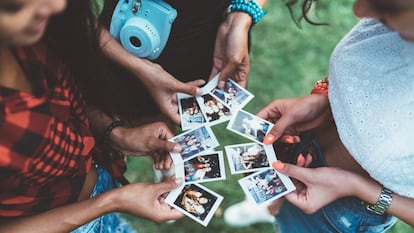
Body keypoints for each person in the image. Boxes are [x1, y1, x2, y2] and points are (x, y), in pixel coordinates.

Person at [0, 0, 188, 232]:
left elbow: (63, 107)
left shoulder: (36, 34)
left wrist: (116, 134)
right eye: (13, 7)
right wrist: (111, 202)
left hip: (99, 183)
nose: (57, 6)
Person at [254, 0, 414, 232]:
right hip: (302, 147)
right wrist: (325, 94)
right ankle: (271, 206)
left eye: (389, 7)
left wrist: (356, 187)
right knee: (275, 205)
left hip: (344, 210)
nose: (359, 11)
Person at [96, 0, 268, 124]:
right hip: (127, 45)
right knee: (145, 121)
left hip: (211, 38)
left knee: (189, 115)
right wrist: (141, 69)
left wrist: (240, 16)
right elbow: (73, 16)